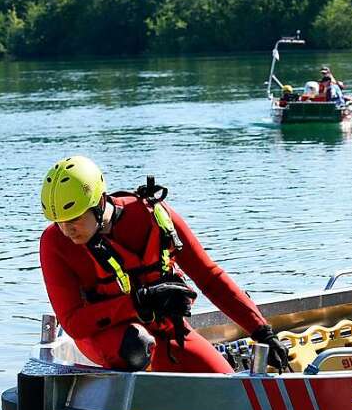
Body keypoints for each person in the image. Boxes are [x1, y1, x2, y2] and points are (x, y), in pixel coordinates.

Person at [38, 156, 289, 374]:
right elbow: (72, 322)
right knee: (136, 346)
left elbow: (209, 277)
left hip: (168, 331)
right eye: (58, 221)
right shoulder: (55, 243)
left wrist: (262, 331)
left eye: (75, 218)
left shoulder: (154, 217)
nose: (66, 229)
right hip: (110, 338)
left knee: (229, 384)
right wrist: (137, 303)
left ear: (100, 202)